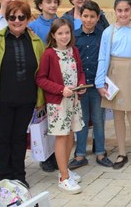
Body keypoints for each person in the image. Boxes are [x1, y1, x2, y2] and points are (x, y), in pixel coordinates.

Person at [0, 0, 45, 188]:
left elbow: (41, 72)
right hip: (1, 99)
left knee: (19, 137)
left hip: (26, 98)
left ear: (28, 19)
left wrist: (41, 99)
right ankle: (4, 177)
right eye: (12, 17)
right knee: (3, 138)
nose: (17, 20)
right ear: (7, 19)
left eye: (21, 17)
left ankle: (19, 175)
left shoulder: (36, 41)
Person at [95, 0, 131, 170]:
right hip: (115, 73)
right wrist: (100, 81)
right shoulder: (108, 32)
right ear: (115, 12)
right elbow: (103, 57)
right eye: (120, 10)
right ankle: (122, 152)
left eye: (126, 10)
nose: (123, 14)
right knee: (118, 114)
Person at [36, 18, 86, 194]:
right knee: (61, 136)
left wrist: (81, 85)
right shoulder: (49, 54)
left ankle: (66, 168)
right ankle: (63, 177)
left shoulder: (74, 51)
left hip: (73, 101)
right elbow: (41, 78)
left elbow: (79, 72)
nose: (64, 36)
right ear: (53, 35)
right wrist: (60, 89)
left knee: (71, 134)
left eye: (67, 32)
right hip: (58, 103)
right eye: (60, 33)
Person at [69, 1, 113, 169]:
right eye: (85, 16)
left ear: (98, 17)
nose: (88, 20)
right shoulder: (74, 36)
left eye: (92, 16)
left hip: (97, 85)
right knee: (82, 120)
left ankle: (100, 152)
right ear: (80, 16)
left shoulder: (103, 36)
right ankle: (80, 155)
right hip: (80, 86)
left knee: (98, 120)